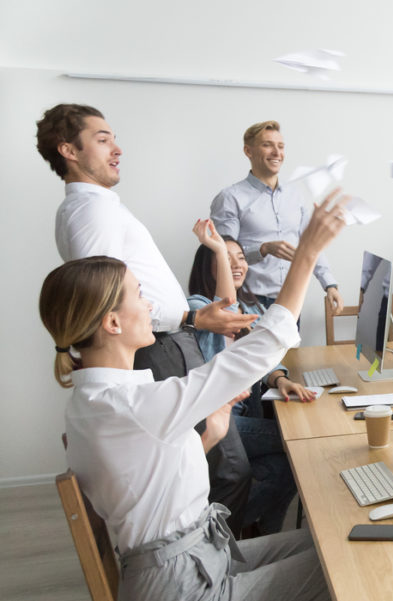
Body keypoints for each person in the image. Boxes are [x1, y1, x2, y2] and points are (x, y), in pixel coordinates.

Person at [39, 192, 347, 601]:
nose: (150, 304)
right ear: (112, 322)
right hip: (183, 585)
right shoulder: (131, 407)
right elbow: (262, 345)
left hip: (194, 559)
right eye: (139, 295)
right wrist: (306, 253)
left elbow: (144, 486)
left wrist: (207, 437)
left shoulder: (93, 404)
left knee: (333, 542)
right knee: (346, 566)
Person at [36, 103, 259, 532]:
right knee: (228, 469)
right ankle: (213, 571)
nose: (116, 148)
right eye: (102, 140)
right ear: (69, 150)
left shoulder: (94, 207)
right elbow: (104, 301)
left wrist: (192, 319)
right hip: (162, 349)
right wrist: (192, 318)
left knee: (220, 459)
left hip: (170, 343)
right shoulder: (90, 210)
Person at [188, 219, 316, 534]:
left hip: (242, 415)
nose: (237, 264)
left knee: (283, 468)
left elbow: (253, 355)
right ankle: (219, 530)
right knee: (297, 443)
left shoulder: (249, 306)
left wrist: (280, 379)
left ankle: (259, 534)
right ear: (209, 265)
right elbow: (229, 315)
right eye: (225, 258)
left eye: (241, 258)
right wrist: (218, 246)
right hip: (219, 421)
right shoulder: (197, 307)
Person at [210, 120, 344, 314]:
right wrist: (263, 249)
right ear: (248, 151)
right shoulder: (230, 198)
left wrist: (329, 284)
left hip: (291, 297)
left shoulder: (294, 195)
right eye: (267, 145)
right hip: (251, 302)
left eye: (280, 146)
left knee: (293, 347)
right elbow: (221, 257)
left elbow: (311, 242)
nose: (277, 152)